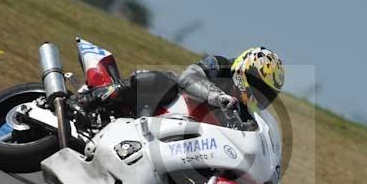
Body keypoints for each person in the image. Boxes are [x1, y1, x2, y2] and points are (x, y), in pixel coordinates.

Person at [68, 47, 285, 121]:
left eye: (266, 94)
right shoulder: (220, 65)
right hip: (163, 106)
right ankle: (91, 98)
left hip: (188, 136)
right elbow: (189, 76)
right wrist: (217, 96)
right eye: (259, 88)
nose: (259, 96)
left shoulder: (246, 113)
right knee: (170, 80)